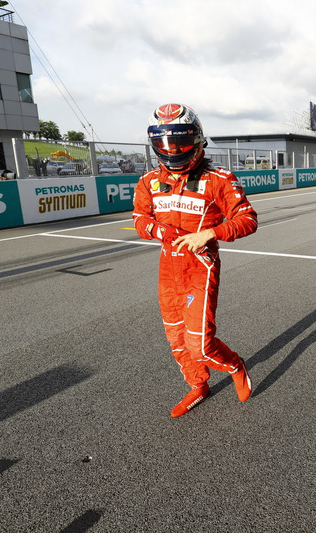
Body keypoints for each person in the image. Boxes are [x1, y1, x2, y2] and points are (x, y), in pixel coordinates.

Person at [132, 103, 258, 417]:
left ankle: (234, 365)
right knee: (176, 338)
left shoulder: (220, 179)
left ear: (198, 138)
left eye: (180, 141)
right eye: (163, 143)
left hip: (201, 267)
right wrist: (158, 229)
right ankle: (198, 385)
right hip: (168, 270)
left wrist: (211, 234)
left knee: (199, 344)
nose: (171, 149)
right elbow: (139, 219)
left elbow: (248, 219)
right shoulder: (149, 181)